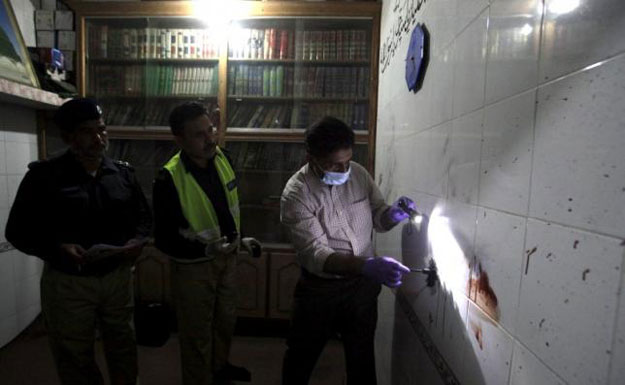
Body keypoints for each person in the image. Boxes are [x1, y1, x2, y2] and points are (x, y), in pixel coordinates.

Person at [5, 98, 152, 385]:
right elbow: (17, 231)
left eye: (102, 130)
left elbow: (144, 218)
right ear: (68, 137)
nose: (99, 139)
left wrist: (138, 240)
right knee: (74, 355)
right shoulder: (44, 177)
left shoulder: (122, 173)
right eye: (88, 132)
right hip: (69, 282)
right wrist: (56, 249)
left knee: (123, 348)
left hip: (116, 279)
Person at [280, 116, 415, 385]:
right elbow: (315, 254)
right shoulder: (296, 194)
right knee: (300, 358)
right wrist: (366, 265)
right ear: (311, 157)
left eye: (346, 162)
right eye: (333, 165)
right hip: (320, 290)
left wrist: (394, 213)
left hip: (361, 288)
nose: (343, 170)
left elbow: (378, 215)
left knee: (361, 357)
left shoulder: (358, 174)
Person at [152, 102, 261, 385]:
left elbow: (226, 209)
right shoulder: (169, 177)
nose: (210, 138)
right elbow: (163, 239)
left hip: (228, 260)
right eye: (199, 135)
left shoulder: (223, 157)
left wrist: (241, 240)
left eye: (210, 129)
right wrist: (205, 249)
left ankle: (220, 368)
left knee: (225, 322)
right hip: (193, 269)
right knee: (196, 333)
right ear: (180, 139)